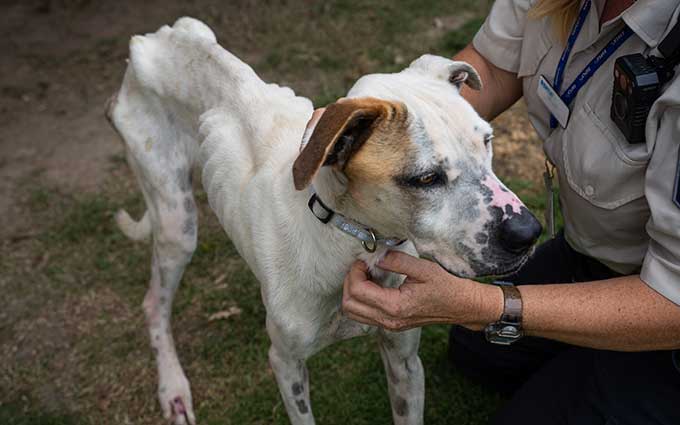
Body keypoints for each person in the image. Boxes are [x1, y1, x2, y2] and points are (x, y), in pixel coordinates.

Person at [341, 0, 680, 423]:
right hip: (597, 251)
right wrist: (379, 136)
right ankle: (595, 345)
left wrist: (486, 304)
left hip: (667, 299)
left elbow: (674, 298)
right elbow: (494, 64)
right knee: (474, 352)